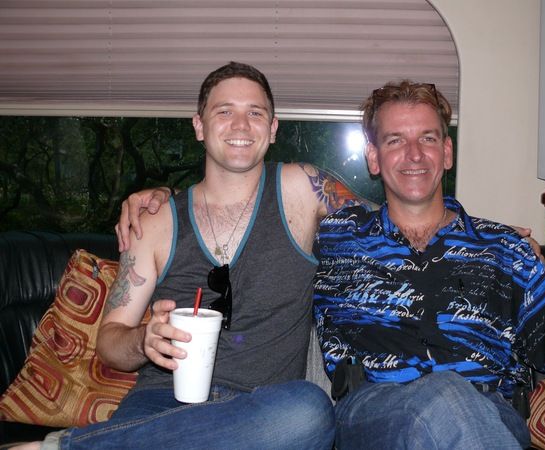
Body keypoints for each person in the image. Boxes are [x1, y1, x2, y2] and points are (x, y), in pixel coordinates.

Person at [22, 61, 373, 450]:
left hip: (260, 416)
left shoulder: (303, 188)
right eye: (224, 112)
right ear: (199, 126)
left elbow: (388, 225)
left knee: (309, 411)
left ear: (273, 129)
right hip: (161, 410)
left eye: (255, 113)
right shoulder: (155, 221)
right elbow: (109, 343)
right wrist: (142, 341)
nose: (241, 125)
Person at [312, 80, 545, 449]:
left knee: (454, 398)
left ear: (447, 152)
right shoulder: (340, 238)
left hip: (489, 412)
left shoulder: (503, 248)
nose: (414, 154)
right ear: (373, 157)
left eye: (428, 138)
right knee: (445, 393)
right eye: (395, 140)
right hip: (373, 415)